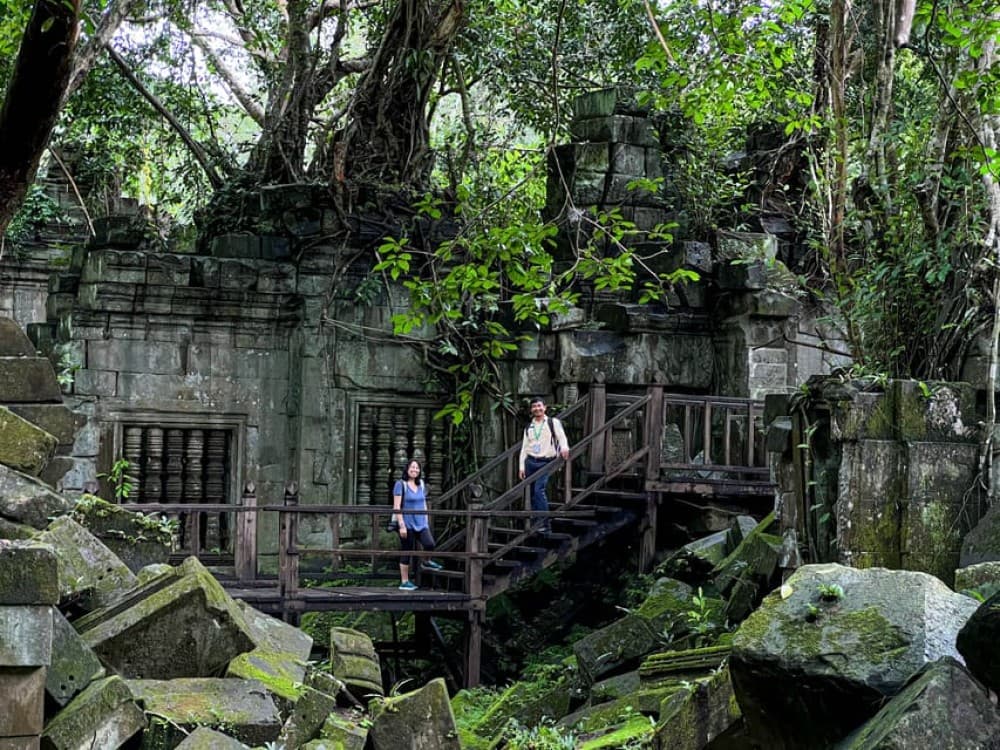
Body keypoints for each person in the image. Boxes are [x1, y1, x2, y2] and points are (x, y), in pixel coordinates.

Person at [518, 396, 571, 534]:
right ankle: (537, 523)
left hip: (545, 461)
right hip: (531, 461)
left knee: (539, 491)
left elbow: (561, 437)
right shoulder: (529, 426)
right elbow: (524, 448)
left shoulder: (553, 422)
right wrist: (521, 467)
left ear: (545, 407)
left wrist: (565, 447)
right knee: (532, 494)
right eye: (534, 406)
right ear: (531, 410)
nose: (537, 409)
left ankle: (544, 524)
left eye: (539, 406)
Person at [392, 458, 442, 591]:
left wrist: (425, 517)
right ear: (407, 469)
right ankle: (404, 581)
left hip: (420, 522)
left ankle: (426, 561)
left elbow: (423, 502)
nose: (414, 470)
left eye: (417, 468)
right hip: (407, 523)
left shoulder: (421, 484)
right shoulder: (400, 484)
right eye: (412, 467)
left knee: (430, 544)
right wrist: (401, 525)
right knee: (407, 550)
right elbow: (396, 506)